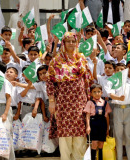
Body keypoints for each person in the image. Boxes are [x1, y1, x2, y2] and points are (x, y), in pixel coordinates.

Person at [46, 32, 93, 160]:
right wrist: (51, 101)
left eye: (73, 41)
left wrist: (89, 100)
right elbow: (50, 81)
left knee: (79, 137)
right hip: (63, 103)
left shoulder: (82, 58)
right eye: (68, 41)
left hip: (80, 102)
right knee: (65, 138)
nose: (71, 43)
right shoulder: (56, 60)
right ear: (63, 43)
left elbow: (88, 80)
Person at [105, 62, 130, 160]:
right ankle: (119, 158)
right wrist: (119, 98)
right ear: (115, 71)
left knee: (129, 136)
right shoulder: (112, 81)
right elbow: (110, 94)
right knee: (118, 136)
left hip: (129, 109)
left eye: (122, 69)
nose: (120, 71)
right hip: (118, 109)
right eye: (118, 69)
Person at [84, 84, 112, 160]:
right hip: (94, 124)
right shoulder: (90, 103)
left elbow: (107, 117)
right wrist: (88, 126)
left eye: (98, 91)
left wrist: (107, 128)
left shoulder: (105, 103)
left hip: (102, 124)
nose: (97, 93)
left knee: (101, 144)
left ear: (101, 92)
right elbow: (88, 115)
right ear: (91, 93)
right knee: (94, 143)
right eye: (95, 92)